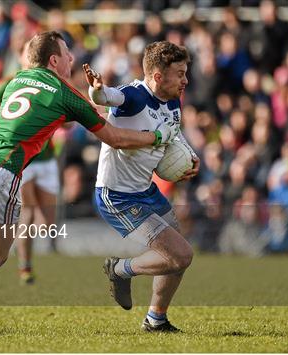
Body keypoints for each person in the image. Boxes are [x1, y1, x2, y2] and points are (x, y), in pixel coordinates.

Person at [0, 31, 180, 333]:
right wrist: (155, 136)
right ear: (54, 60)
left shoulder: (18, 79)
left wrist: (103, 109)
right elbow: (114, 138)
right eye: (67, 54)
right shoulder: (63, 91)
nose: (72, 59)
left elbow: (64, 115)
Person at [83, 40, 200, 332]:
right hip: (116, 196)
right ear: (158, 76)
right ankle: (120, 269)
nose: (186, 80)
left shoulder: (173, 98)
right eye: (181, 73)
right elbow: (107, 97)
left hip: (146, 191)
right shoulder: (134, 95)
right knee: (180, 254)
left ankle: (155, 319)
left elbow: (172, 132)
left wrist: (188, 156)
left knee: (178, 258)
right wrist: (97, 89)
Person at [0, 43, 58, 284]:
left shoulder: (51, 82)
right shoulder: (11, 81)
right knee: (29, 214)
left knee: (47, 224)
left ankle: (16, 251)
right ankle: (25, 267)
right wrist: (11, 127)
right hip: (24, 158)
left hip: (47, 158)